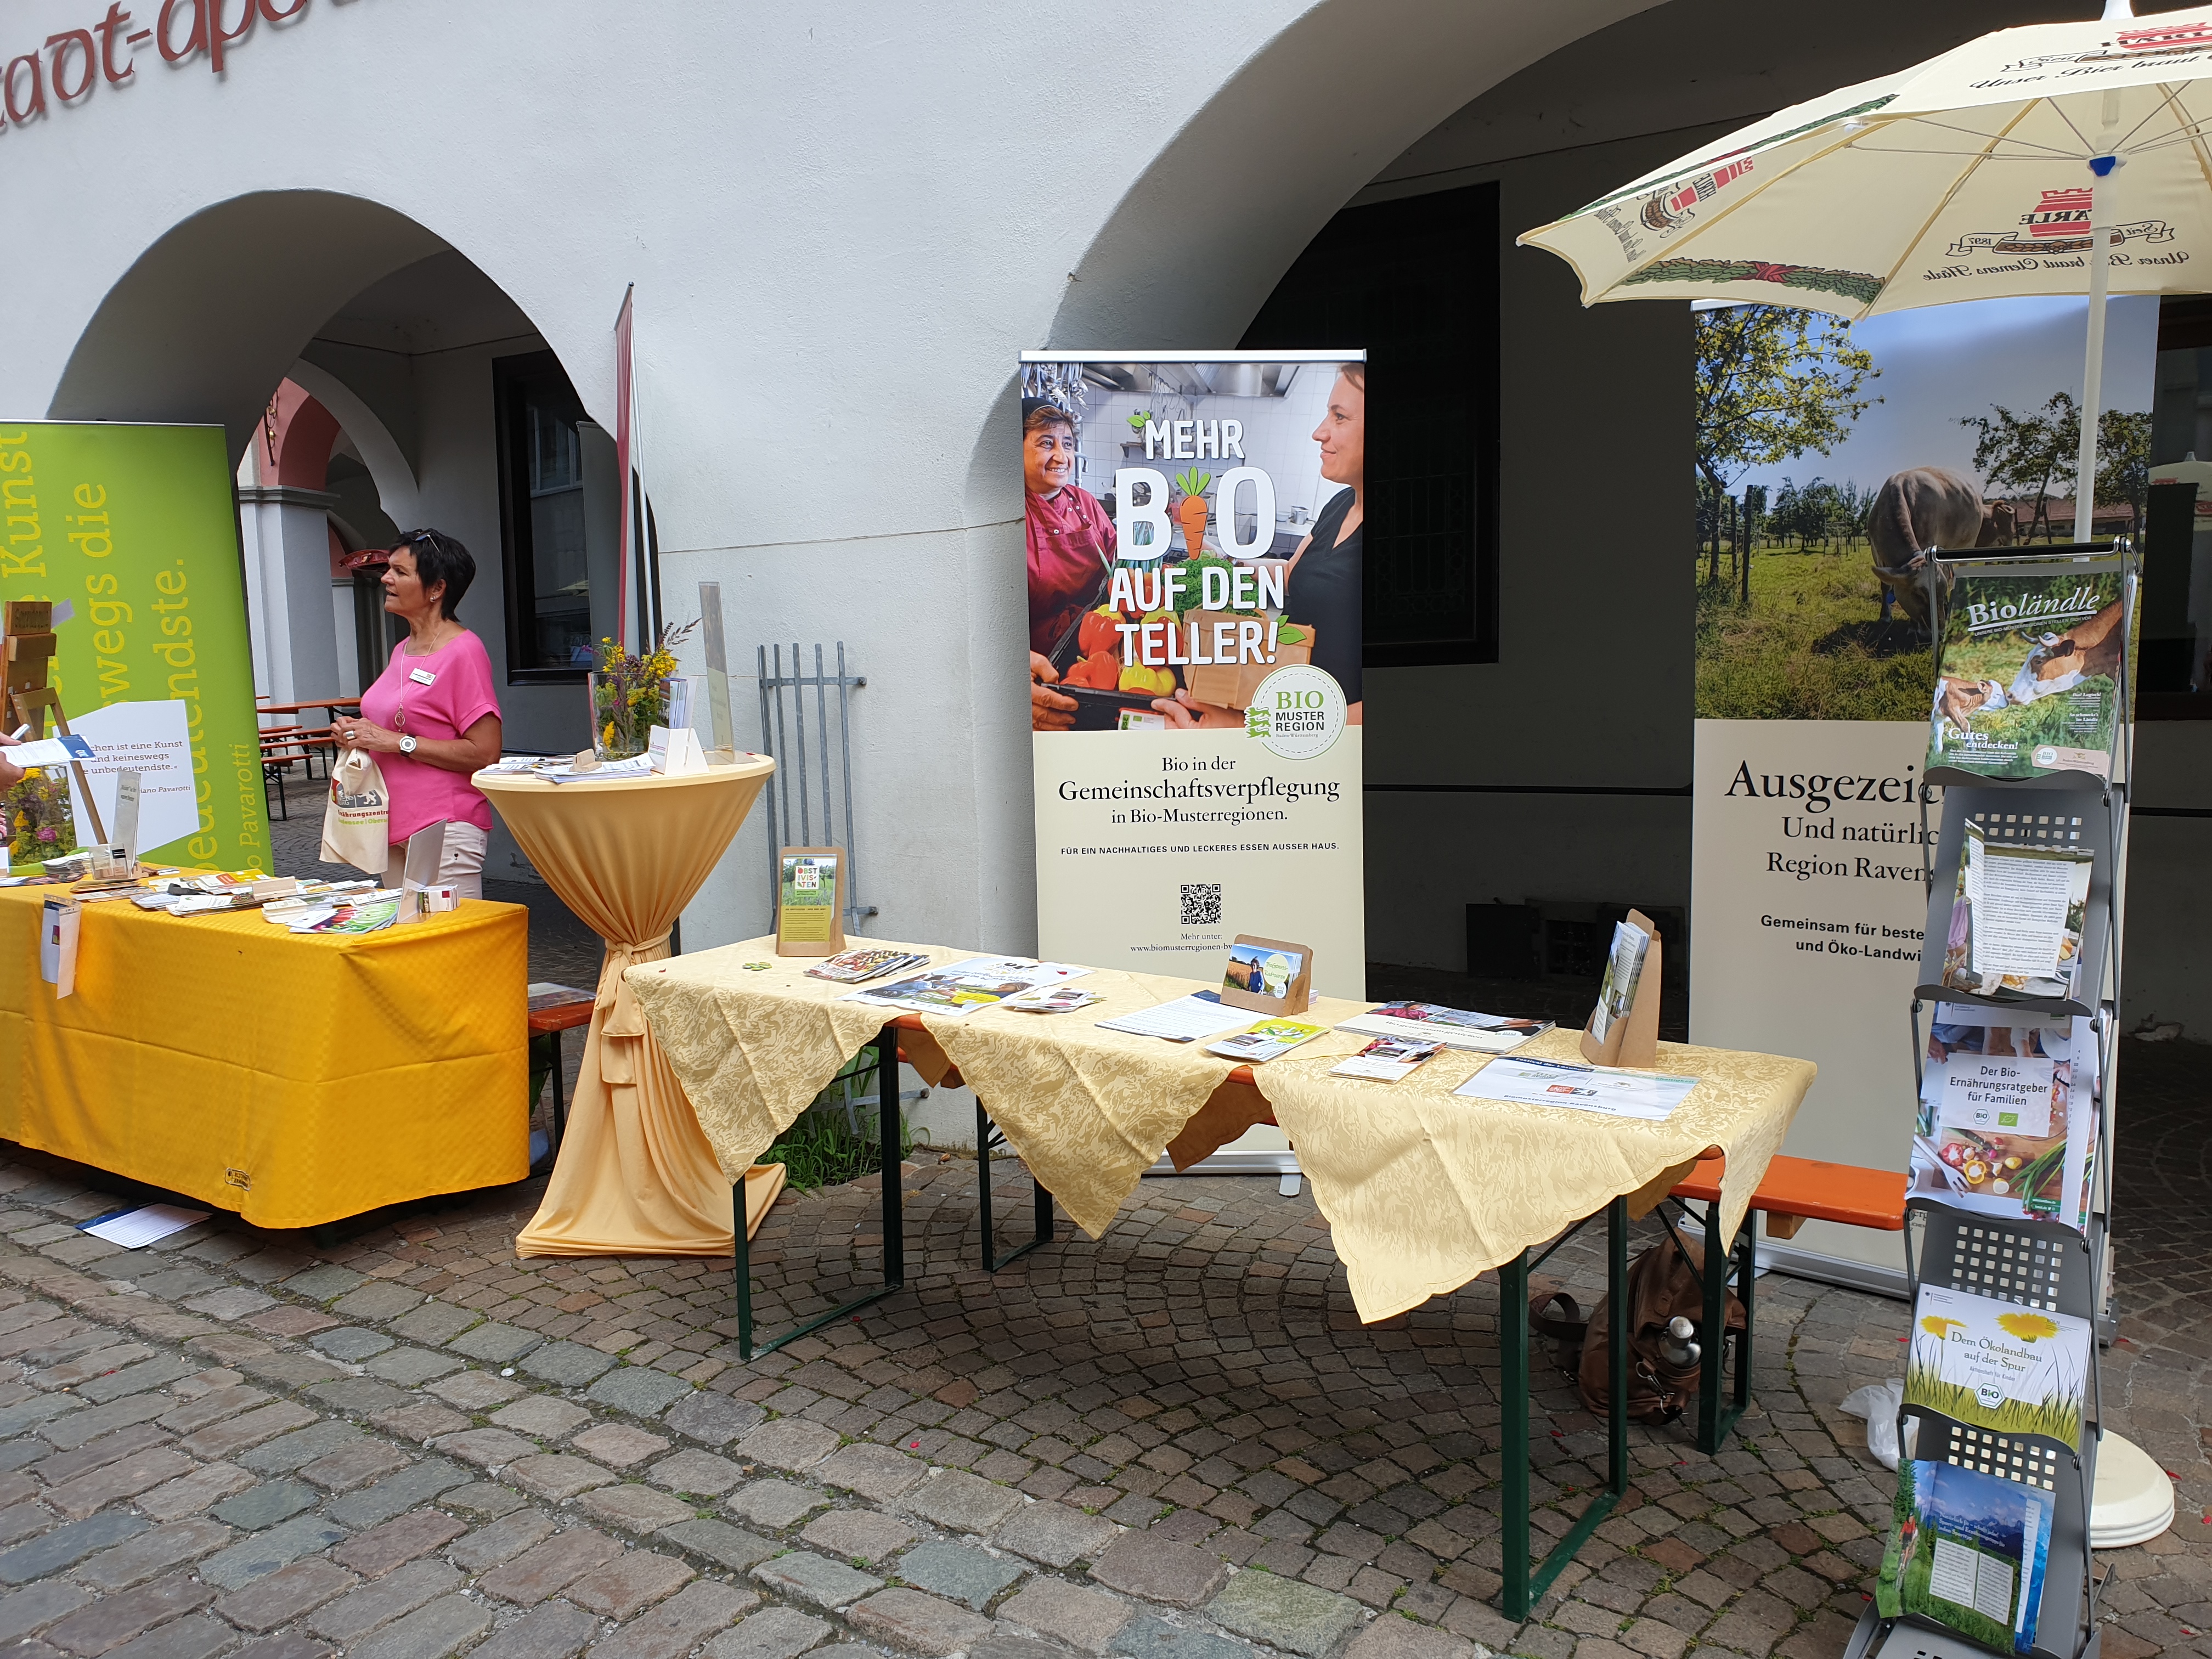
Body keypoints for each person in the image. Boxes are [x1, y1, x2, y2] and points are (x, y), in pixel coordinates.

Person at [1158, 363, 1365, 727]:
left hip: (1321, 745)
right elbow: (1290, 576)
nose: (1320, 432)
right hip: (1289, 706)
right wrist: (1224, 564)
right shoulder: (1341, 504)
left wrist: (1254, 730)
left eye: (1340, 417)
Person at [331, 529, 503, 900]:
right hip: (387, 824)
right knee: (413, 951)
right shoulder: (403, 650)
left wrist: (398, 743)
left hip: (442, 828)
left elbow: (486, 753)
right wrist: (358, 732)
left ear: (437, 589)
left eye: (400, 572)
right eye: (388, 570)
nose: (385, 579)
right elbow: (394, 722)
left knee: (451, 951)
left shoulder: (464, 651)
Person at [1024, 398, 1116, 732]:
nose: (1062, 457)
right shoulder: (1005, 517)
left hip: (1100, 652)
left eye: (1068, 445)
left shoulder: (1085, 503)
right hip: (1040, 672)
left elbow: (1118, 563)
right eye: (1046, 444)